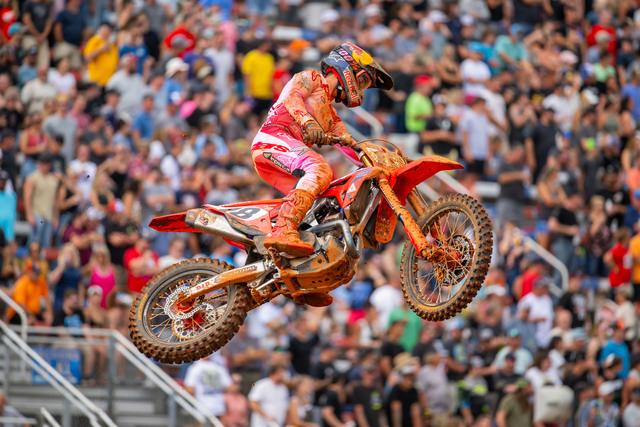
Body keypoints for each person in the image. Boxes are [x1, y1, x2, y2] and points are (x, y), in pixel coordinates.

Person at [250, 42, 393, 305]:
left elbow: (350, 145)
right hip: (272, 139)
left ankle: (302, 274)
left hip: (288, 155)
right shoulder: (311, 78)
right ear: (347, 68)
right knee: (319, 168)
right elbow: (292, 97)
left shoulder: (331, 115)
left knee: (325, 206)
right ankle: (283, 229)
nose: (361, 89)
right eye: (362, 81)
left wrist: (377, 159)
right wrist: (307, 122)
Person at [184, 353, 233, 418]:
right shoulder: (219, 367)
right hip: (213, 406)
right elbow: (229, 387)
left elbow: (190, 389)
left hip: (210, 406)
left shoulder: (195, 368)